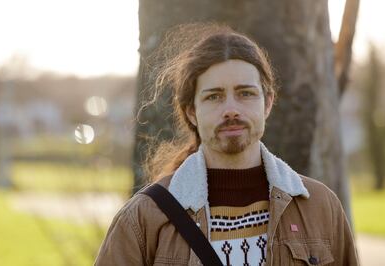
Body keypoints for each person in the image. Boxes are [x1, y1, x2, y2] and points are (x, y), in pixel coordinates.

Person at [95, 24, 358, 266]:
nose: (231, 110)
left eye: (245, 93)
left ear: (267, 102)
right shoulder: (143, 218)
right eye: (214, 97)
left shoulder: (321, 207)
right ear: (191, 112)